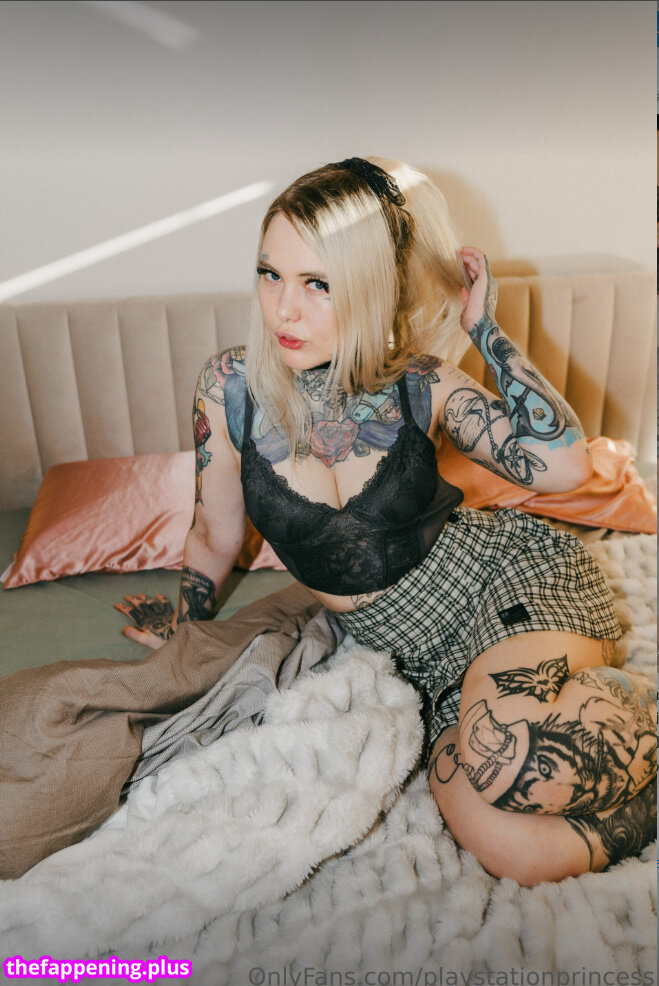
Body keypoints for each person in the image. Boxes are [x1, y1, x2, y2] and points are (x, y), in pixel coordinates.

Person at [116, 157, 657, 886]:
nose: (283, 310)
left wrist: (484, 330)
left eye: (317, 283)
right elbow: (214, 536)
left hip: (502, 584)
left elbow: (563, 467)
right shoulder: (229, 388)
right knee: (517, 850)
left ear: (371, 287)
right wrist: (184, 639)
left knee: (509, 763)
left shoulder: (419, 384)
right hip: (419, 658)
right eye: (270, 274)